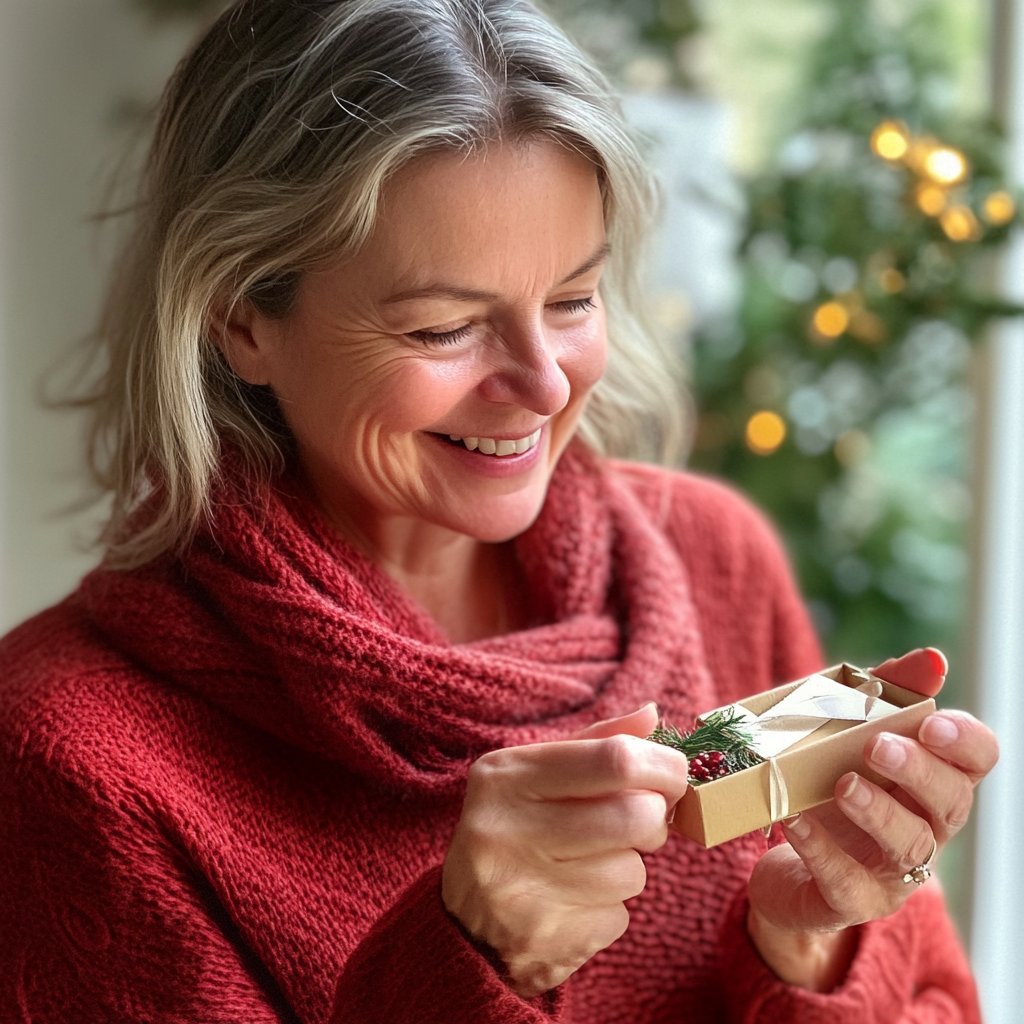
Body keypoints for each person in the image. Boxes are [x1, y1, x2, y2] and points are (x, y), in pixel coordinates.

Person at [0, 0, 998, 1021]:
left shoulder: (714, 559)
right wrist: (470, 958)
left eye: (572, 299)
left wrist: (807, 948)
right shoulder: (73, 756)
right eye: (443, 327)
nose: (543, 383)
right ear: (241, 319)